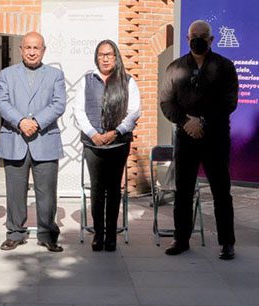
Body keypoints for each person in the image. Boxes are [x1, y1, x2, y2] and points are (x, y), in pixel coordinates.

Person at [159, 20, 239, 260]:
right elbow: (166, 102)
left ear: (211, 39)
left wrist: (202, 121)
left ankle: (227, 242)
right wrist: (186, 122)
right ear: (187, 38)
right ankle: (181, 239)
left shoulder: (225, 67)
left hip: (216, 137)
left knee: (221, 191)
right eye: (194, 35)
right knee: (183, 191)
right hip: (186, 137)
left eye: (203, 36)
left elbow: (229, 102)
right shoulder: (175, 68)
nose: (198, 39)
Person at [0, 32, 66, 252]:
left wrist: (36, 122)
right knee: (15, 192)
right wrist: (21, 122)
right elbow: (3, 102)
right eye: (28, 47)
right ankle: (15, 233)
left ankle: (47, 234)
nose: (32, 52)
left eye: (37, 48)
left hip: (44, 139)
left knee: (47, 192)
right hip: (14, 139)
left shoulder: (55, 75)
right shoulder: (7, 74)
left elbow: (58, 104)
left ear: (43, 50)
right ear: (21, 50)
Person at [73, 40, 141, 252]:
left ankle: (111, 235)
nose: (105, 58)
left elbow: (134, 112)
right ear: (96, 57)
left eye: (109, 54)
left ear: (115, 57)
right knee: (97, 189)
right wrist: (93, 134)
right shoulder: (87, 80)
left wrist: (116, 132)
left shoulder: (127, 81)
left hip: (118, 143)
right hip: (93, 144)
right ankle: (98, 234)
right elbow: (78, 111)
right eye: (101, 55)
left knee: (113, 189)